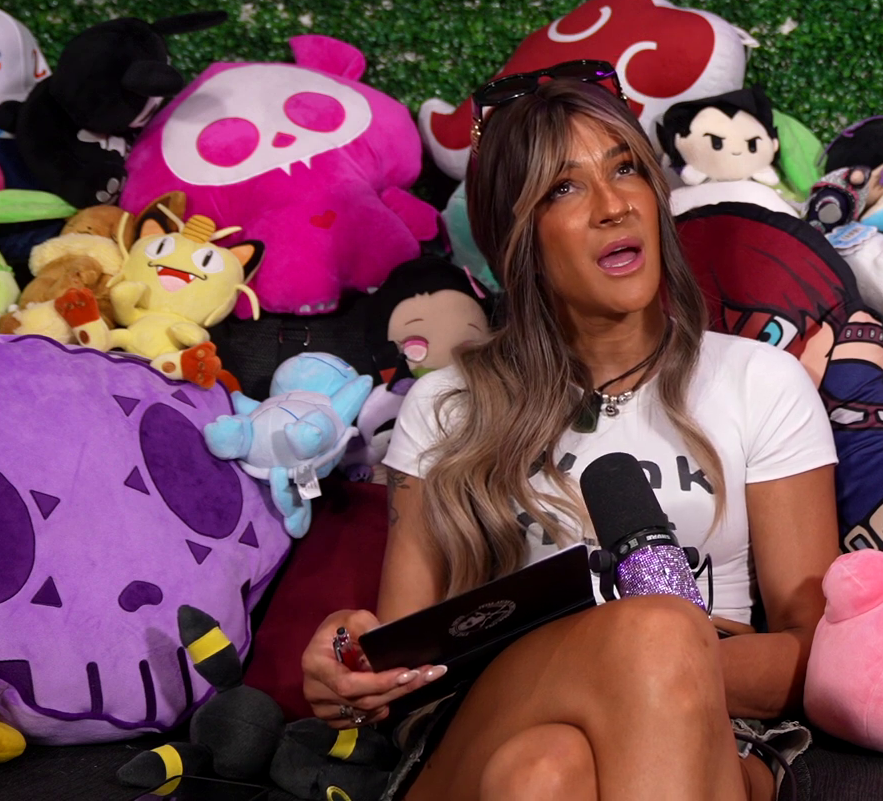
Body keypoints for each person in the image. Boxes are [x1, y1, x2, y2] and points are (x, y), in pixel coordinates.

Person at [299, 61, 840, 801]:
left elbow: (818, 656)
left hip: (712, 732)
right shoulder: (448, 407)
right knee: (653, 634)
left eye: (626, 169)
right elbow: (404, 663)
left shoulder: (761, 382)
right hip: (488, 721)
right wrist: (347, 668)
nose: (613, 206)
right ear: (517, 236)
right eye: (563, 188)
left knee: (544, 773)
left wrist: (653, 665)